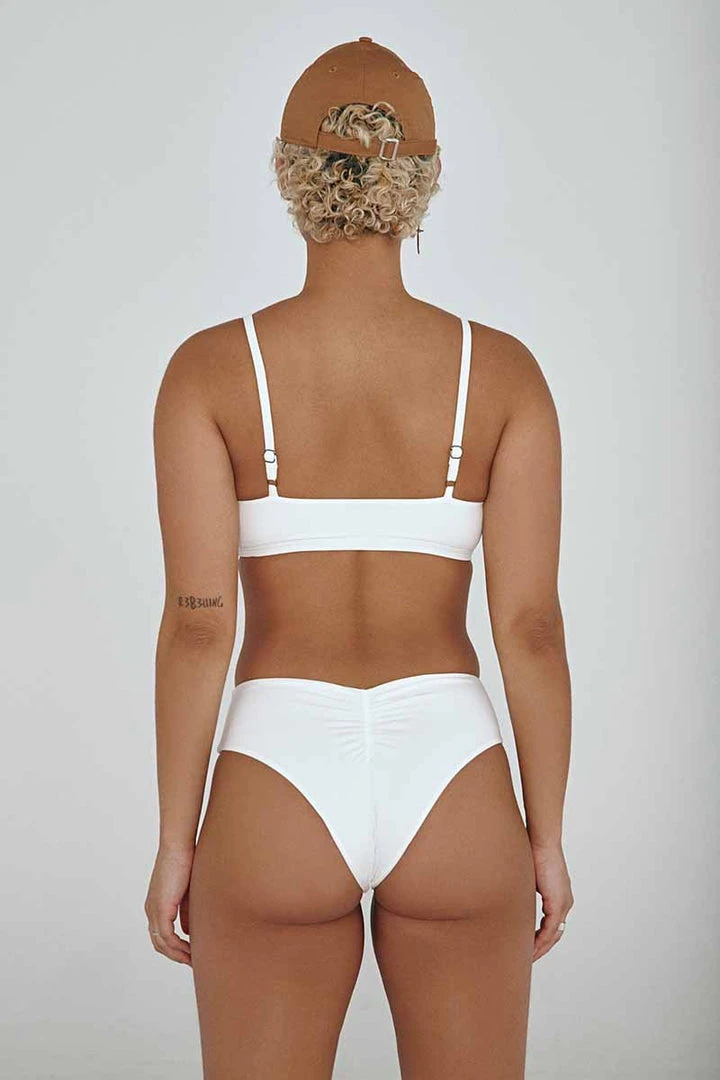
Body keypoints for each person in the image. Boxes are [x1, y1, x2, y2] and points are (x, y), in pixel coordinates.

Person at [144, 35, 573, 1080]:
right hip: (456, 776)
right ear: (419, 183)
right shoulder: (502, 374)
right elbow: (529, 629)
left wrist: (176, 841)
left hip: (275, 781)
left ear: (294, 176)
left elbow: (199, 629)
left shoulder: (211, 371)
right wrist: (546, 838)